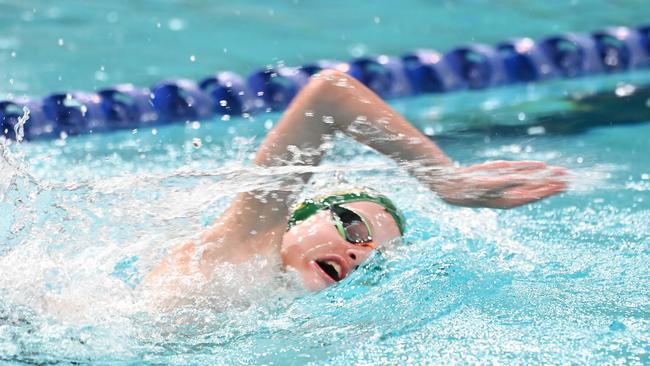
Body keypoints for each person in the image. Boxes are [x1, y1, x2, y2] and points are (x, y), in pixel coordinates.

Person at [145, 69, 566, 292]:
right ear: (297, 218)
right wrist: (445, 181)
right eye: (354, 227)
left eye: (375, 259)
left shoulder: (282, 309)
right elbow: (329, 95)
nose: (359, 254)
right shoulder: (244, 243)